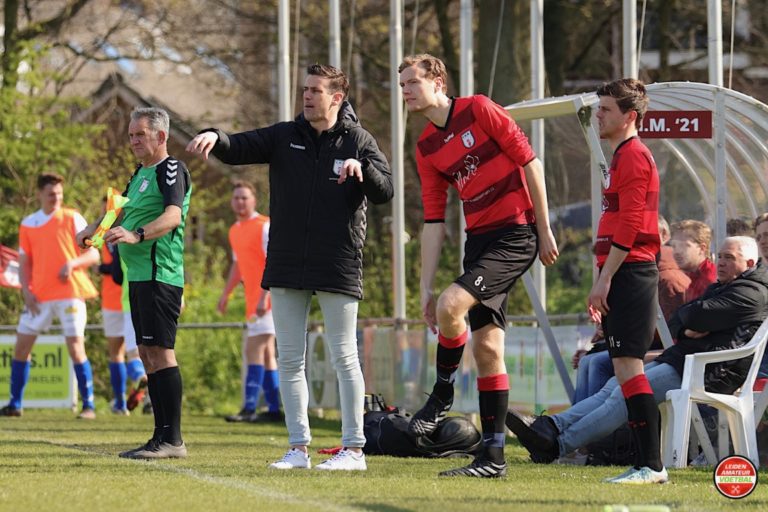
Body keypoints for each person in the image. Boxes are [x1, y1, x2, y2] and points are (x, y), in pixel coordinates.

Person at [186, 64, 392, 471]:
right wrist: (216, 136)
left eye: (316, 90)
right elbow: (240, 146)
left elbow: (384, 190)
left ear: (337, 98)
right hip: (285, 263)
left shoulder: (358, 139)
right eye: (305, 89)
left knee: (344, 357)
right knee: (289, 360)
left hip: (337, 263)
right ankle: (298, 448)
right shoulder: (284, 135)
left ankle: (354, 450)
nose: (308, 96)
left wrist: (362, 169)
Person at [398, 54, 558, 478]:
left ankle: (441, 395)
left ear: (438, 81)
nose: (407, 91)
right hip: (479, 243)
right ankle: (493, 458)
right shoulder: (425, 148)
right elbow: (433, 221)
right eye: (402, 85)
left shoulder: (479, 109)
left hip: (516, 234)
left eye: (413, 81)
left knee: (454, 305)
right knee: (487, 348)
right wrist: (424, 288)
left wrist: (544, 228)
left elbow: (530, 162)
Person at [507, 237, 768, 468]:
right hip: (684, 361)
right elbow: (679, 319)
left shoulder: (752, 292)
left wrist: (690, 323)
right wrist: (688, 327)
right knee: (614, 385)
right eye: (720, 256)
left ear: (749, 262)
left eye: (729, 258)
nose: (721, 262)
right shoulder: (723, 287)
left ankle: (556, 445)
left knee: (624, 393)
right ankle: (551, 427)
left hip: (707, 371)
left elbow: (694, 314)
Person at [516, 78, 665, 484]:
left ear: (630, 116)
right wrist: (601, 279)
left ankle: (651, 465)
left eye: (605, 110)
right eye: (597, 108)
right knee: (624, 371)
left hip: (633, 273)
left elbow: (632, 224)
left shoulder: (635, 155)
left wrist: (606, 280)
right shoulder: (620, 156)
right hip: (620, 274)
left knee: (631, 372)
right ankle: (644, 464)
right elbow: (616, 223)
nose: (598, 115)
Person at [78, 107, 192, 459]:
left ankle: (173, 440)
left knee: (161, 352)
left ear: (161, 137)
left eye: (140, 135)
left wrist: (136, 235)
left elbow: (173, 215)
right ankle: (159, 437)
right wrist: (94, 230)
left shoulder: (171, 168)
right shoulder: (140, 172)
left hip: (161, 274)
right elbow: (121, 210)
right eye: (131, 135)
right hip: (139, 276)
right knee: (146, 354)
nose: (133, 141)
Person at [1, 173, 100, 419]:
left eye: (59, 193)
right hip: (40, 296)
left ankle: (88, 406)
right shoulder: (28, 223)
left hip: (70, 294)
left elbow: (93, 255)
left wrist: (73, 263)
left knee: (76, 347)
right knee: (22, 345)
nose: (56, 197)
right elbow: (24, 263)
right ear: (39, 195)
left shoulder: (72, 218)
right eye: (51, 194)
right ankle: (15, 404)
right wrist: (27, 291)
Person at [218, 181, 281, 423]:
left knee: (253, 349)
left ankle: (249, 408)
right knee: (265, 355)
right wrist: (226, 294)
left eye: (245, 197)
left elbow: (274, 261)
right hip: (253, 301)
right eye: (236, 198)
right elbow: (237, 266)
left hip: (268, 299)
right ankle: (274, 409)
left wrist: (265, 296)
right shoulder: (235, 230)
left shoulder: (264, 226)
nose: (240, 202)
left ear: (254, 200)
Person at [98, 238, 129, 415]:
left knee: (119, 353)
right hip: (122, 299)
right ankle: (124, 400)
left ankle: (121, 401)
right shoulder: (100, 235)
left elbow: (114, 270)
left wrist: (102, 268)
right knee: (138, 353)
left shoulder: (135, 227)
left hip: (122, 301)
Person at [670, 220, 716, 300]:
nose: (677, 251)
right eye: (674, 246)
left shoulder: (711, 280)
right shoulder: (693, 275)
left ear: (702, 248)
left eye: (684, 246)